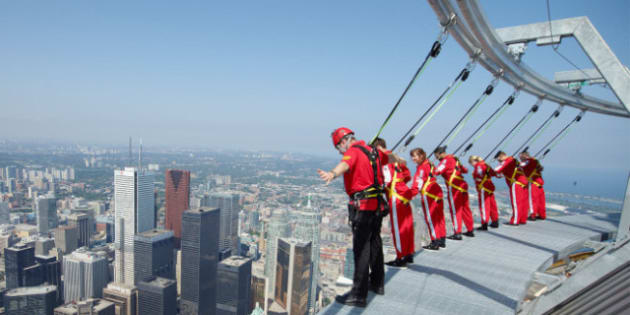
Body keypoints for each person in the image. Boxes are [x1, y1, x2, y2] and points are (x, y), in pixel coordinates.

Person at [317, 127, 404, 307]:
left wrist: (332, 174)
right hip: (378, 206)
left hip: (363, 208)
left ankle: (358, 294)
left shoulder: (353, 151)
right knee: (375, 243)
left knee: (361, 250)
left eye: (338, 147)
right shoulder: (375, 151)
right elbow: (393, 157)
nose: (340, 151)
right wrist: (400, 160)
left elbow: (345, 164)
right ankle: (377, 283)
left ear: (343, 141)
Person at [372, 138, 415, 267]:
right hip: (404, 195)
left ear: (378, 147)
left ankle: (401, 257)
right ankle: (408, 254)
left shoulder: (385, 160)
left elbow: (387, 180)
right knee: (407, 227)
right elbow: (407, 176)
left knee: (398, 228)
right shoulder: (397, 159)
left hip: (396, 197)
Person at [433, 146, 474, 239]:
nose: (436, 158)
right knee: (465, 208)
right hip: (462, 186)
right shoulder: (455, 159)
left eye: (436, 156)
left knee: (455, 210)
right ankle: (470, 230)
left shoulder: (445, 161)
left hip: (454, 188)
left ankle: (457, 233)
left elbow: (437, 171)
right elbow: (465, 170)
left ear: (440, 153)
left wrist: (429, 169)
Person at [409, 147, 446, 250]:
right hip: (437, 192)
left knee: (430, 218)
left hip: (429, 195)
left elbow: (417, 185)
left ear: (421, 156)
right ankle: (441, 239)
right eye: (412, 156)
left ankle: (435, 242)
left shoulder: (421, 169)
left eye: (414, 156)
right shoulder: (430, 164)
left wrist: (407, 195)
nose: (413, 159)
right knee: (439, 217)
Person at [494, 151, 529, 225]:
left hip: (516, 183)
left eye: (499, 160)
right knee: (523, 203)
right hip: (523, 182)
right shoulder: (513, 161)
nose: (499, 162)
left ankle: (515, 221)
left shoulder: (507, 161)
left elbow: (497, 170)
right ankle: (522, 219)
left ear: (501, 156)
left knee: (516, 203)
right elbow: (501, 173)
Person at [469, 155, 499, 230]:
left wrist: (479, 176)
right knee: (492, 204)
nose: (471, 165)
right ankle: (495, 221)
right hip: (489, 186)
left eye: (471, 163)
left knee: (484, 205)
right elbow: (494, 174)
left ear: (473, 161)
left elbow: (479, 174)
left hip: (483, 187)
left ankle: (484, 223)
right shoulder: (486, 165)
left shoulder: (479, 166)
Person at [519, 150, 546, 220]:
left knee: (532, 200)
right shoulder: (535, 162)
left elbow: (521, 166)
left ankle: (533, 215)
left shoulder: (527, 163)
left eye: (521, 157)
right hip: (539, 184)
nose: (520, 159)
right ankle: (542, 215)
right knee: (541, 201)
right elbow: (540, 168)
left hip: (533, 183)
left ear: (524, 156)